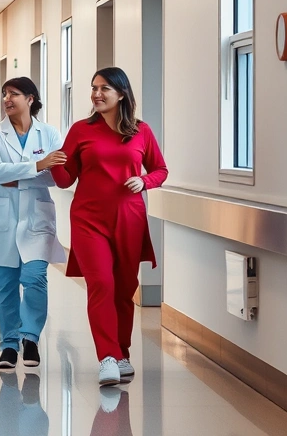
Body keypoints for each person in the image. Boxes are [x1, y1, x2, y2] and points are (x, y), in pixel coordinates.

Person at [49, 67, 168, 386]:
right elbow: (65, 180)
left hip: (128, 219)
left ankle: (122, 352)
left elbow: (160, 169)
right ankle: (107, 358)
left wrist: (143, 181)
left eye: (104, 89)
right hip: (88, 219)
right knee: (101, 283)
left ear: (122, 94)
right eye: (93, 88)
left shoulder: (141, 131)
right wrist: (53, 165)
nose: (96, 94)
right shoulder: (81, 130)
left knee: (124, 288)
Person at [0, 77, 66, 370]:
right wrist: (38, 166)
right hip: (2, 217)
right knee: (6, 284)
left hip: (37, 218)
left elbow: (59, 175)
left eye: (14, 93)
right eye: (4, 94)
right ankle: (9, 345)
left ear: (30, 98)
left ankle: (30, 338)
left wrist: (20, 175)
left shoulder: (49, 134)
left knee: (35, 278)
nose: (7, 99)